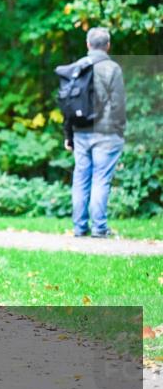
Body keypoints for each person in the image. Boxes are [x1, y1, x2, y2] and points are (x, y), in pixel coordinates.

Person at [64, 27, 126, 238]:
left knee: (81, 179)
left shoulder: (77, 67)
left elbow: (68, 105)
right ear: (108, 45)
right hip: (107, 133)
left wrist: (68, 135)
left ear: (88, 44)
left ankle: (79, 227)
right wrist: (120, 131)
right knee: (100, 178)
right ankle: (99, 228)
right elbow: (118, 104)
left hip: (80, 132)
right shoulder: (112, 68)